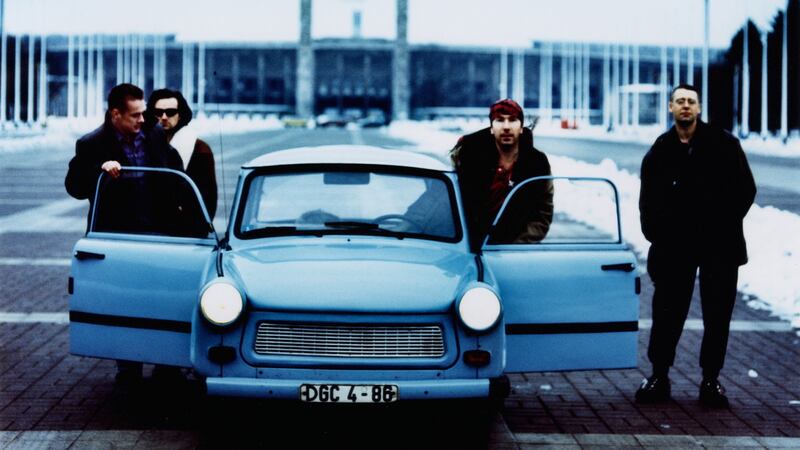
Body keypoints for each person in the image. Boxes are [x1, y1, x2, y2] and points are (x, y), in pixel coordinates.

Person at [635, 84, 756, 408]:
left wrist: (724, 221)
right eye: (680, 102)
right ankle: (659, 375)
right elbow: (648, 200)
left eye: (691, 101)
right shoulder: (661, 149)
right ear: (671, 108)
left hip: (720, 244)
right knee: (666, 313)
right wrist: (657, 235)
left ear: (699, 108)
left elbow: (746, 189)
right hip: (675, 245)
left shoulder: (724, 144)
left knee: (718, 315)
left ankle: (710, 380)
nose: (685, 107)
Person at [65, 83, 183, 389]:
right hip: (119, 238)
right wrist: (99, 171)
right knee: (125, 301)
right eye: (135, 115)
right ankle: (128, 366)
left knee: (163, 299)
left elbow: (174, 166)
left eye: (144, 113)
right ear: (115, 114)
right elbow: (74, 186)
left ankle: (166, 364)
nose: (143, 120)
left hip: (159, 232)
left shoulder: (154, 134)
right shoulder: (92, 143)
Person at [450, 98, 553, 250]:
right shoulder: (470, 157)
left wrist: (515, 247)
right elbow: (448, 200)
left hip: (511, 252)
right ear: (491, 127)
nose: (506, 127)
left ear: (521, 127)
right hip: (466, 245)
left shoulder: (537, 163)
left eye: (512, 120)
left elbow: (542, 214)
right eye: (499, 120)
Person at [146, 88, 218, 219]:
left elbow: (208, 199)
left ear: (180, 114)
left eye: (171, 112)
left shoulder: (199, 148)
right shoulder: (142, 144)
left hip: (184, 229)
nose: (164, 117)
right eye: (158, 112)